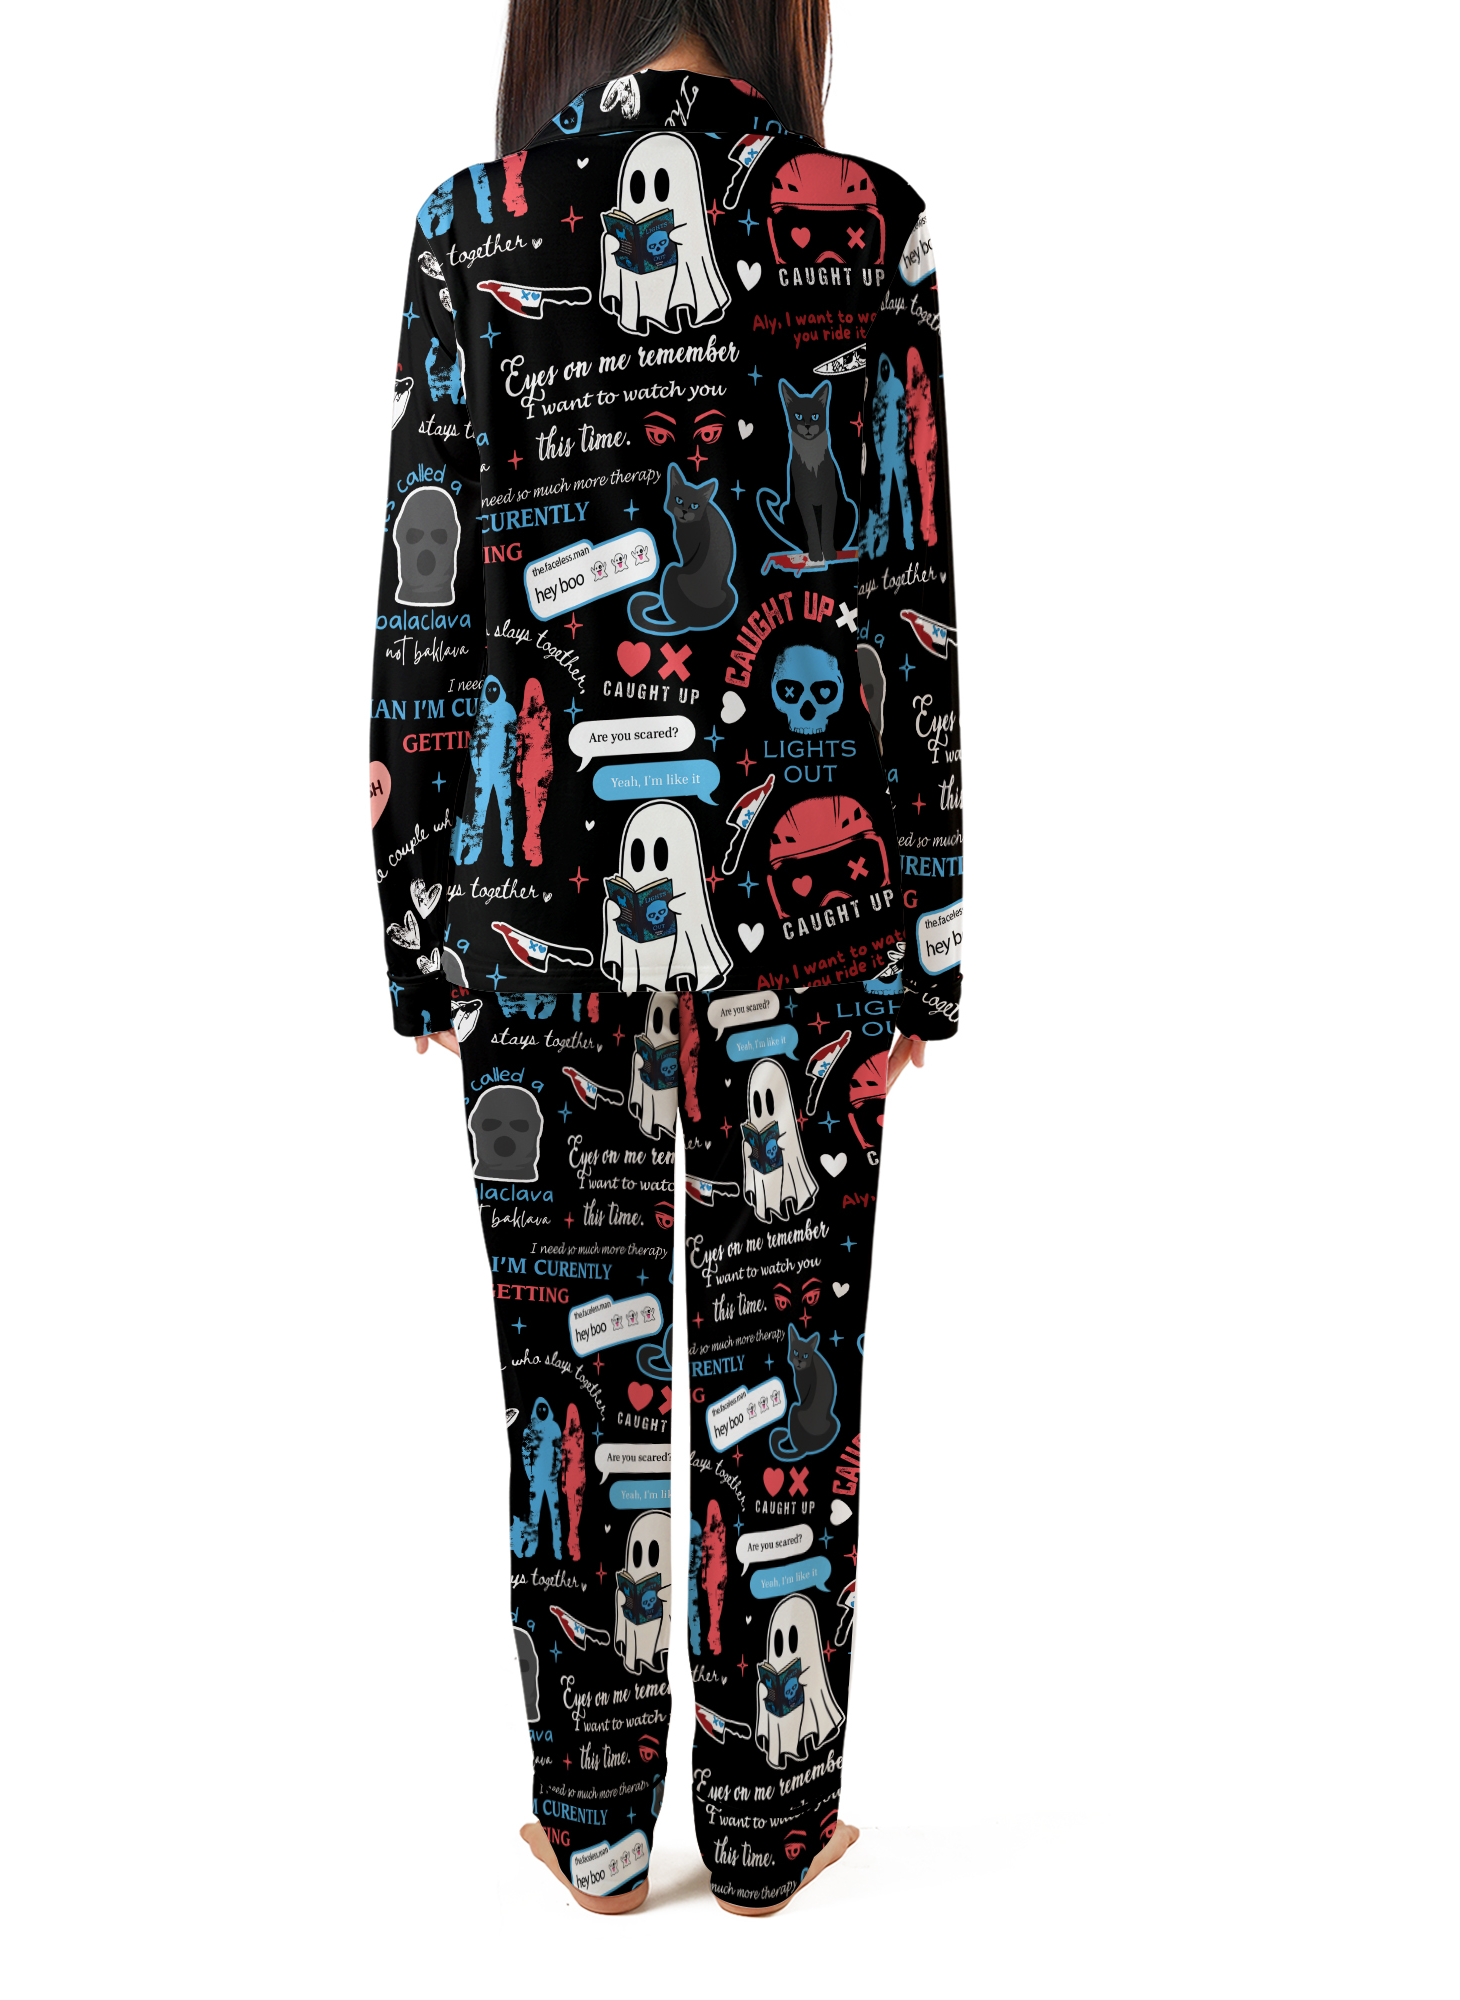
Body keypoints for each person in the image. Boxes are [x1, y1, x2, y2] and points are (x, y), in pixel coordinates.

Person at [370, 0, 963, 1916]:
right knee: (795, 1356)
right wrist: (929, 941)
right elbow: (912, 599)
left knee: (571, 1375)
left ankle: (599, 1827)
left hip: (530, 904)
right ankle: (777, 1833)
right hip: (817, 911)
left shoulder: (471, 223)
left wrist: (415, 920)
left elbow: (427, 598)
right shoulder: (866, 220)